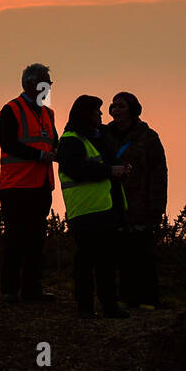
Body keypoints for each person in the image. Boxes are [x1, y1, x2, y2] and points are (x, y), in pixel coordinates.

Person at [57, 94, 130, 318]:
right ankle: (86, 308)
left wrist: (119, 168)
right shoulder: (71, 140)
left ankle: (109, 306)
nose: (101, 115)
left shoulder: (95, 138)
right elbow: (76, 169)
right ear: (87, 115)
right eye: (97, 111)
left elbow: (105, 163)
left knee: (105, 261)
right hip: (85, 211)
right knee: (87, 262)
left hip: (103, 208)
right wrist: (109, 171)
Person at [0, 63, 59, 303]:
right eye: (45, 82)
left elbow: (53, 142)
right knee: (15, 238)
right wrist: (40, 156)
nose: (48, 87)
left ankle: (32, 289)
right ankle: (10, 290)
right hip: (16, 186)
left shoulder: (48, 113)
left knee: (36, 240)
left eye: (49, 83)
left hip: (41, 184)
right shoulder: (11, 109)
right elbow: (8, 144)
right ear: (30, 84)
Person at [106, 92, 167, 309]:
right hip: (112, 204)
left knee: (144, 254)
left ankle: (148, 299)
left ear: (133, 109)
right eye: (113, 106)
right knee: (121, 254)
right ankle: (125, 298)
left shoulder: (149, 137)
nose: (115, 109)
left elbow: (159, 174)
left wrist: (157, 206)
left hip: (141, 204)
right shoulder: (104, 135)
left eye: (120, 105)